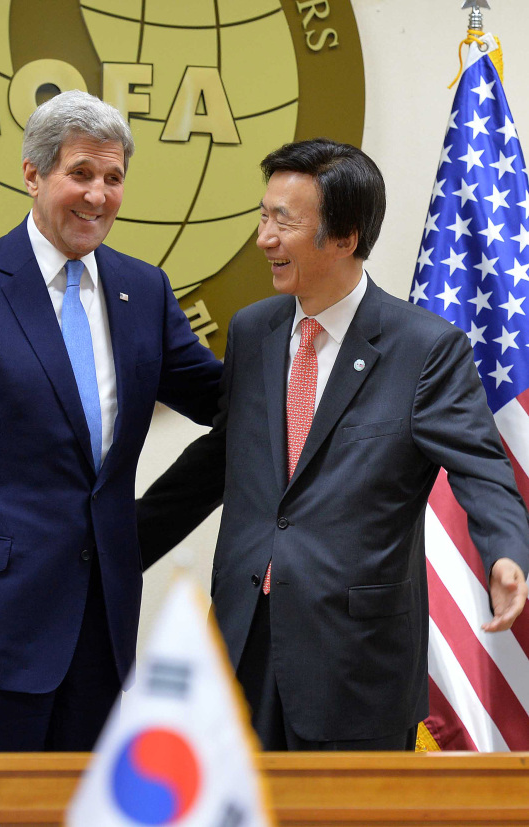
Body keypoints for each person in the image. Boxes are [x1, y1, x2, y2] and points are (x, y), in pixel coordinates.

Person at [138, 138, 529, 751]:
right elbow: (220, 459)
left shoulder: (423, 348)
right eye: (264, 215)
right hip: (243, 641)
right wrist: (119, 547)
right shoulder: (253, 330)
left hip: (355, 660)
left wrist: (505, 553)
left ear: (345, 237)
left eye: (283, 221)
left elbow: (481, 467)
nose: (264, 236)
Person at [0, 90, 221, 752]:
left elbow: (225, 401)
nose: (98, 195)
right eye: (81, 174)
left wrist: (319, 355)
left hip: (102, 634)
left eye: (113, 177)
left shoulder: (143, 290)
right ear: (33, 174)